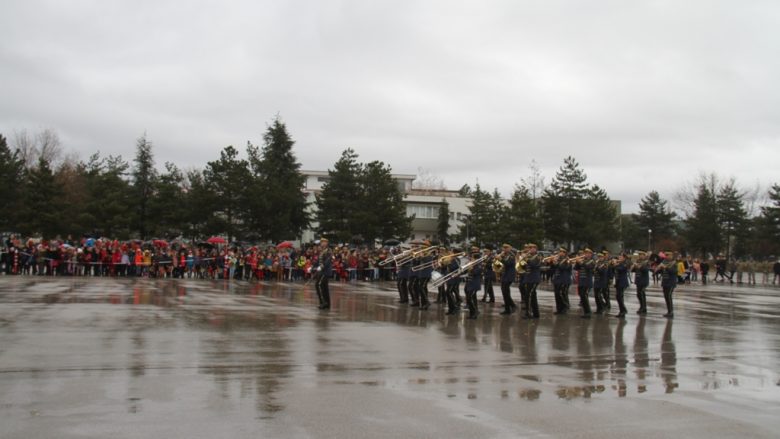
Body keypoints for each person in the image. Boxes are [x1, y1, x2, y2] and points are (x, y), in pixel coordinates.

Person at [521, 243, 542, 319]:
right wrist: (522, 260)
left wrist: (526, 259)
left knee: (528, 295)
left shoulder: (538, 256)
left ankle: (528, 313)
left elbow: (534, 265)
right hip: (528, 278)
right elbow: (524, 267)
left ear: (535, 249)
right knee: (532, 296)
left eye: (532, 248)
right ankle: (536, 314)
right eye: (529, 248)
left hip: (534, 278)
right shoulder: (529, 257)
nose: (530, 249)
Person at [574, 249, 595, 318]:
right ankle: (586, 312)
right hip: (581, 281)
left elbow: (588, 267)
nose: (585, 254)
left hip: (587, 282)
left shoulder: (592, 261)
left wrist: (580, 262)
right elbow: (576, 268)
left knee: (584, 296)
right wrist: (577, 262)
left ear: (590, 254)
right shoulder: (583, 260)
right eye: (585, 253)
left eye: (587, 253)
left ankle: (588, 312)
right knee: (581, 296)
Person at [497, 244, 517, 315]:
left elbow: (508, 263)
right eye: (504, 248)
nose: (504, 249)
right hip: (505, 275)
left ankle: (509, 307)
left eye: (506, 248)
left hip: (509, 275)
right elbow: (502, 264)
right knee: (504, 292)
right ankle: (510, 306)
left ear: (510, 248)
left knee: (506, 292)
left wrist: (501, 259)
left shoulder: (512, 255)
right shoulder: (504, 255)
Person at [313, 238, 333, 309]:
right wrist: (312, 267)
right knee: (324, 287)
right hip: (322, 271)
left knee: (318, 284)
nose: (322, 243)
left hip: (325, 271)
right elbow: (318, 261)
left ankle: (323, 302)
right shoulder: (322, 251)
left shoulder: (329, 251)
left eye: (324, 242)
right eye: (321, 242)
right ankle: (327, 304)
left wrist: (321, 267)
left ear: (327, 243)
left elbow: (328, 261)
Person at [464, 247, 483, 319]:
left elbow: (476, 273)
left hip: (475, 284)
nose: (471, 259)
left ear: (475, 259)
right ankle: (472, 313)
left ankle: (475, 313)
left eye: (472, 258)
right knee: (470, 298)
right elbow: (465, 272)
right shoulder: (472, 264)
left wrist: (471, 267)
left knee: (470, 298)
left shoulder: (479, 265)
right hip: (470, 283)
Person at [657, 251, 678, 318]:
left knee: (669, 296)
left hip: (671, 282)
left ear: (671, 256)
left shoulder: (674, 263)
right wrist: (658, 268)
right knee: (666, 297)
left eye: (668, 255)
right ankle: (669, 311)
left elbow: (673, 271)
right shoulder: (664, 262)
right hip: (665, 282)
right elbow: (660, 271)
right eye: (666, 255)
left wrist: (665, 267)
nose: (667, 256)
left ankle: (671, 312)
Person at [551, 247, 571, 314]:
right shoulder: (558, 259)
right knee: (556, 294)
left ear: (565, 253)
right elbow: (553, 269)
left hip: (563, 279)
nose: (560, 253)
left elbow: (563, 268)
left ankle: (564, 307)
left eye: (562, 252)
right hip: (557, 279)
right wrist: (553, 262)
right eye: (560, 252)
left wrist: (556, 262)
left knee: (561, 294)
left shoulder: (567, 260)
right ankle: (559, 309)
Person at [612, 253, 630, 318]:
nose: (619, 258)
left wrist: (615, 264)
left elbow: (621, 269)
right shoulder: (619, 263)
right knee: (618, 297)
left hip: (623, 282)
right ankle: (622, 310)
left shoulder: (625, 263)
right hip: (618, 282)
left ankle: (623, 311)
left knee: (619, 297)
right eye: (619, 257)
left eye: (621, 257)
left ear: (624, 258)